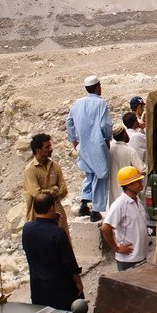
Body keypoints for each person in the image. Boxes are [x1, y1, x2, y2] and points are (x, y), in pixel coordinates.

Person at [22, 192, 83, 311]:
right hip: (60, 288)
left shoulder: (27, 229)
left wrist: (53, 223)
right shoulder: (58, 233)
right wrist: (78, 282)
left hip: (38, 287)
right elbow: (69, 262)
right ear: (51, 208)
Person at [66, 75, 113, 221]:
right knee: (101, 176)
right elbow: (105, 125)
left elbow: (69, 122)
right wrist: (107, 138)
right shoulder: (101, 104)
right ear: (98, 87)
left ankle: (84, 204)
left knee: (89, 174)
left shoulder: (77, 103)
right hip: (97, 145)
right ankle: (96, 211)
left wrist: (73, 140)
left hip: (83, 145)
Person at [101, 166, 149, 271]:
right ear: (129, 185)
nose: (141, 182)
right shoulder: (120, 204)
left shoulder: (137, 200)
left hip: (140, 256)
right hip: (128, 260)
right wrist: (116, 248)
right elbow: (105, 227)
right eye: (138, 181)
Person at [24, 133, 69, 234]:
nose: (51, 149)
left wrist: (48, 192)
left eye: (50, 146)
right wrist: (54, 189)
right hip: (38, 215)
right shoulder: (30, 170)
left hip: (57, 211)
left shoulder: (55, 166)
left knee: (62, 241)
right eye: (47, 147)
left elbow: (64, 190)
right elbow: (37, 194)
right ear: (38, 150)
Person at [108, 122, 147, 206]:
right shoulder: (129, 151)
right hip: (127, 195)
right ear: (124, 135)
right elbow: (143, 169)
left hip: (113, 197)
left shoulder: (109, 150)